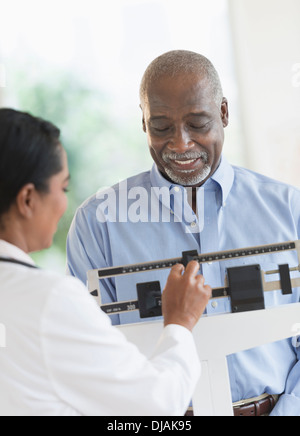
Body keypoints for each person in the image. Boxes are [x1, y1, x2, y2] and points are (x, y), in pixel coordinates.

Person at [67, 50, 300, 416]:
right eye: (161, 127)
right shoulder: (98, 225)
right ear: (143, 122)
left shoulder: (288, 209)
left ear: (223, 113)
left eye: (198, 123)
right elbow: (93, 360)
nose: (180, 143)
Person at [0, 108, 212, 416]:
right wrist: (180, 322)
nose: (65, 204)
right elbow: (156, 405)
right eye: (63, 188)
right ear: (28, 199)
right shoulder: (49, 300)